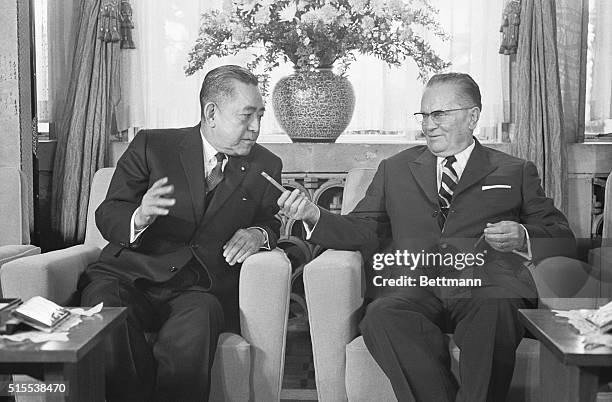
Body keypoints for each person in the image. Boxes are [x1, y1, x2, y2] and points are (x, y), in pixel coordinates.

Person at [278, 72, 576, 402]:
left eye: (439, 114)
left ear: (472, 116)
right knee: (381, 316)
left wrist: (522, 235)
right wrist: (314, 215)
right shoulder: (395, 169)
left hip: (485, 287)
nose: (428, 125)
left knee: (498, 306)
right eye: (424, 115)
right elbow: (364, 229)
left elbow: (560, 236)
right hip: (413, 286)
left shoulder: (514, 171)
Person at [78, 65, 282, 402]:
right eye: (247, 116)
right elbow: (110, 212)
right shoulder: (152, 145)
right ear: (211, 113)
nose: (256, 128)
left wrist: (258, 233)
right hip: (128, 277)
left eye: (260, 115)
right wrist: (140, 215)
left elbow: (271, 221)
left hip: (199, 288)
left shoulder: (266, 165)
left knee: (197, 325)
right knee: (104, 309)